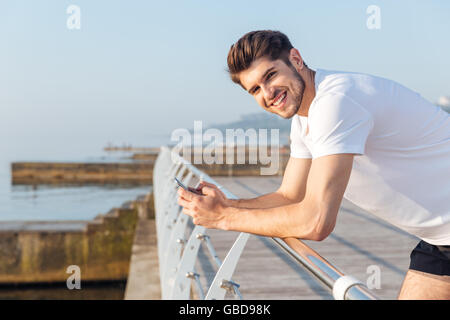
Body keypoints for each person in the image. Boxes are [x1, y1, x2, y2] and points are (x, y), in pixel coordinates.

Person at [177, 30, 450, 299]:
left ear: (295, 59)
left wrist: (223, 218)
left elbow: (316, 221)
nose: (267, 93)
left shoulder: (335, 102)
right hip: (441, 241)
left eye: (270, 75)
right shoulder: (306, 116)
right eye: (255, 90)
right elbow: (289, 196)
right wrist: (227, 205)